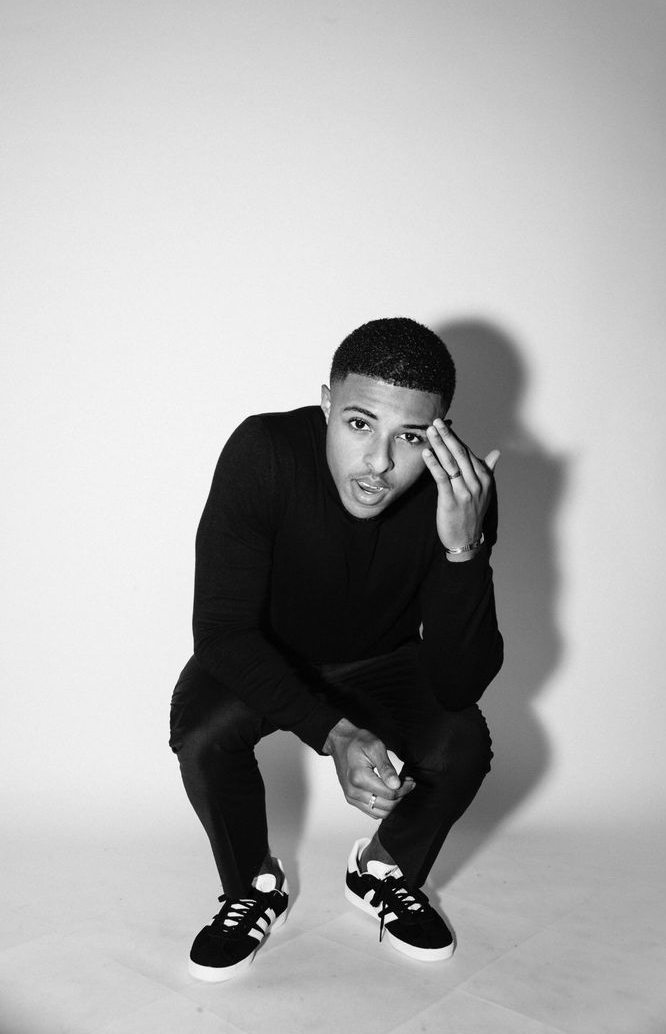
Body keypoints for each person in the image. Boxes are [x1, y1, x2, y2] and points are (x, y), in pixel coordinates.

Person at [169, 316, 503, 982]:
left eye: (409, 437)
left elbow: (461, 683)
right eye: (358, 425)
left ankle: (383, 867)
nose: (379, 463)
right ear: (326, 404)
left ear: (439, 431)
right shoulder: (263, 451)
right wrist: (336, 733)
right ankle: (252, 886)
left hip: (383, 658)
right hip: (266, 651)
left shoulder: (458, 491)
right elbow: (222, 633)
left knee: (462, 743)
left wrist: (464, 549)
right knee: (204, 733)